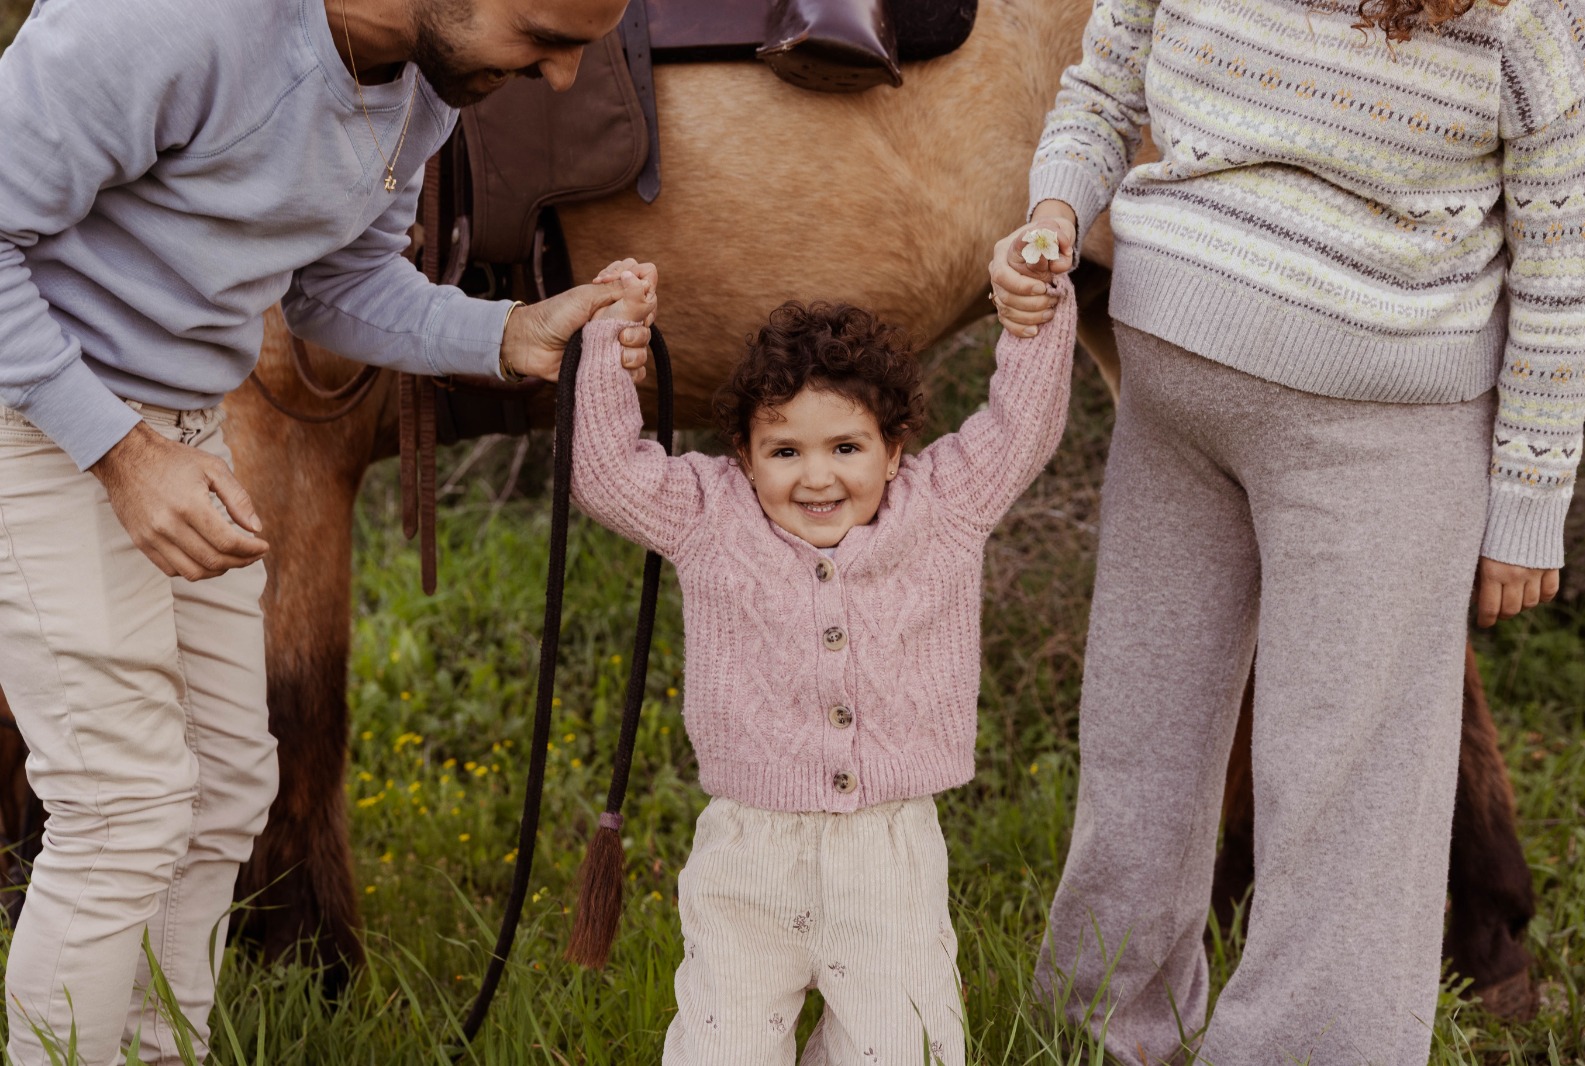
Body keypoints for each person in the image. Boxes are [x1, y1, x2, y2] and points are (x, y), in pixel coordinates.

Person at [0, 0, 654, 1059]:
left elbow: (331, 284)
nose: (567, 78)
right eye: (545, 35)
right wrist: (121, 453)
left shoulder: (422, 84)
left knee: (224, 792)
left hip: (181, 430)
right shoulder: (170, 23)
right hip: (35, 420)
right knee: (121, 804)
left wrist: (507, 332)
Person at [988, 0, 1585, 1061]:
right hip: (1186, 399)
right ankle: (1103, 1033)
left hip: (1372, 425)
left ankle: (1216, 1039)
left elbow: (1566, 260)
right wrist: (1050, 214)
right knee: (1160, 739)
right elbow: (1102, 88)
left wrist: (1529, 501)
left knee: (1326, 774)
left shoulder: (1534, 18)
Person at [568, 263, 1076, 1064]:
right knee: (721, 1045)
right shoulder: (711, 513)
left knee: (900, 1046)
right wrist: (607, 344)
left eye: (846, 446)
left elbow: (1025, 425)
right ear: (742, 452)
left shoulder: (945, 506)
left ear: (894, 448)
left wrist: (1036, 307)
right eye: (783, 449)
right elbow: (604, 476)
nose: (816, 476)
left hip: (889, 854)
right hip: (750, 851)